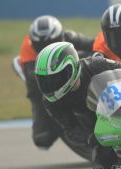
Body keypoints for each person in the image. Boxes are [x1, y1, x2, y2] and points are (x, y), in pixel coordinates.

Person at [18, 15, 94, 149]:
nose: (47, 48)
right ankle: (60, 120)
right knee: (42, 139)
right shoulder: (28, 51)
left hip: (75, 73)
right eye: (41, 45)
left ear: (60, 36)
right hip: (41, 86)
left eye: (51, 42)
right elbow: (32, 76)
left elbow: (95, 44)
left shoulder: (70, 37)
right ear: (33, 43)